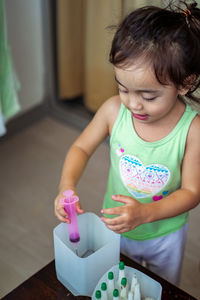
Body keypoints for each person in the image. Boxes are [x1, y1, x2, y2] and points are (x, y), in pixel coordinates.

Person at [54, 1, 200, 285]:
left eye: (148, 96)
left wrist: (146, 213)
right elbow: (81, 148)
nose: (134, 104)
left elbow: (193, 192)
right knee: (116, 282)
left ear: (185, 83)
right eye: (123, 88)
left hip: (165, 235)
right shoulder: (112, 111)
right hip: (115, 226)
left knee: (160, 287)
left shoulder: (192, 130)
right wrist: (66, 186)